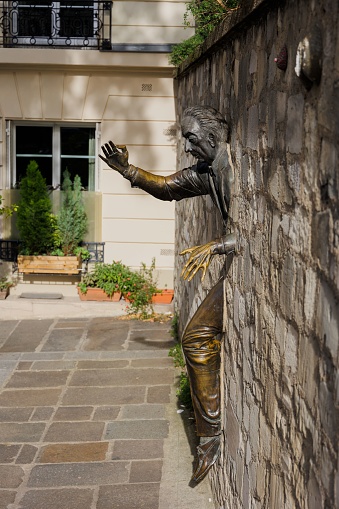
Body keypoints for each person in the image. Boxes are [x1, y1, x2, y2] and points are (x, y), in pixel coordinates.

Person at [100, 106, 236, 483]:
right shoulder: (207, 173)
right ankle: (209, 437)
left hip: (236, 266)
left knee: (194, 339)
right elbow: (166, 188)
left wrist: (217, 246)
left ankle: (209, 439)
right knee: (194, 339)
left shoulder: (235, 171)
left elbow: (260, 228)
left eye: (191, 140)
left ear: (211, 138)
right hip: (231, 268)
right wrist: (128, 170)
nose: (188, 149)